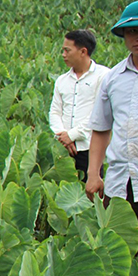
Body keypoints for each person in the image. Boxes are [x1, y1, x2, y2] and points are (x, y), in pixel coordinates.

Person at [87, 0, 138, 254]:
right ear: (123, 35)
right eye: (133, 31)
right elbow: (101, 128)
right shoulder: (113, 78)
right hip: (119, 185)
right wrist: (93, 174)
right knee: (118, 259)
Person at [48, 29, 109, 181]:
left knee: (90, 193)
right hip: (63, 149)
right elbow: (55, 111)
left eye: (67, 50)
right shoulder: (62, 80)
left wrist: (72, 135)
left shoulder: (104, 76)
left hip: (90, 148)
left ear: (83, 51)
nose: (63, 55)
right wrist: (62, 136)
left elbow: (100, 113)